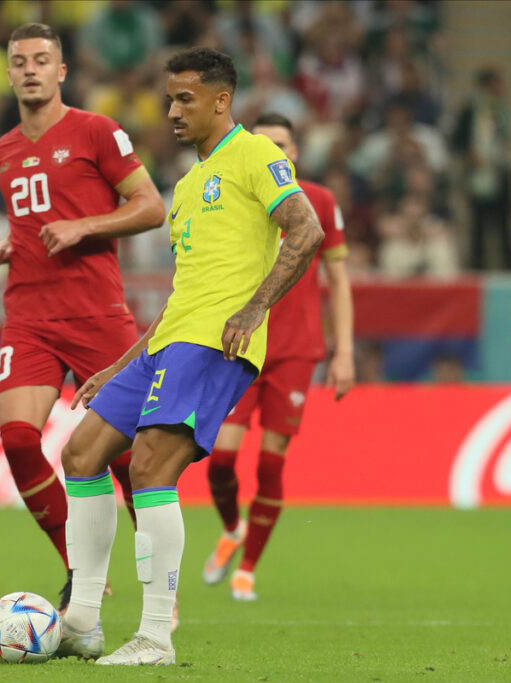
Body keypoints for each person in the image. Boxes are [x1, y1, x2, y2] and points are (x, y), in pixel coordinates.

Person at [56, 48, 323, 665]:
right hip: (168, 341)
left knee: (150, 467)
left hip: (216, 344)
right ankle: (83, 621)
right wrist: (119, 365)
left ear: (220, 101)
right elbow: (184, 296)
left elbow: (305, 228)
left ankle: (155, 636)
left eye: (185, 99)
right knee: (82, 453)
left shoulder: (255, 154)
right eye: (169, 98)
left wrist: (255, 310)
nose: (171, 110)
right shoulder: (185, 186)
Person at [0, 23, 166, 611]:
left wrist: (86, 225)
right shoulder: (1, 152)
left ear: (62, 72)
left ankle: (160, 587)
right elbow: (31, 228)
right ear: (8, 75)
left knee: (132, 459)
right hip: (27, 314)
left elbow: (151, 206)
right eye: (19, 61)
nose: (30, 69)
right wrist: (3, 249)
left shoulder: (96, 131)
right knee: (18, 439)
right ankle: (81, 571)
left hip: (95, 313)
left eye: (41, 60)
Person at [201, 113, 355, 602]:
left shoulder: (321, 202)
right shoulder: (236, 198)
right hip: (242, 344)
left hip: (294, 352)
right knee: (220, 458)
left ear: (295, 151)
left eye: (282, 144)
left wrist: (345, 351)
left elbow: (340, 280)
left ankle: (247, 569)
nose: (274, 151)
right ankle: (232, 529)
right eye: (263, 144)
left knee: (271, 464)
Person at [451, 68, 511, 270]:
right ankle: (477, 267)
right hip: (478, 176)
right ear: (487, 86)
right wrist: (469, 156)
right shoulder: (470, 110)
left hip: (499, 173)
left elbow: (508, 141)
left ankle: (509, 267)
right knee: (478, 226)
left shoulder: (502, 111)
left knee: (504, 226)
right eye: (497, 84)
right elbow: (456, 141)